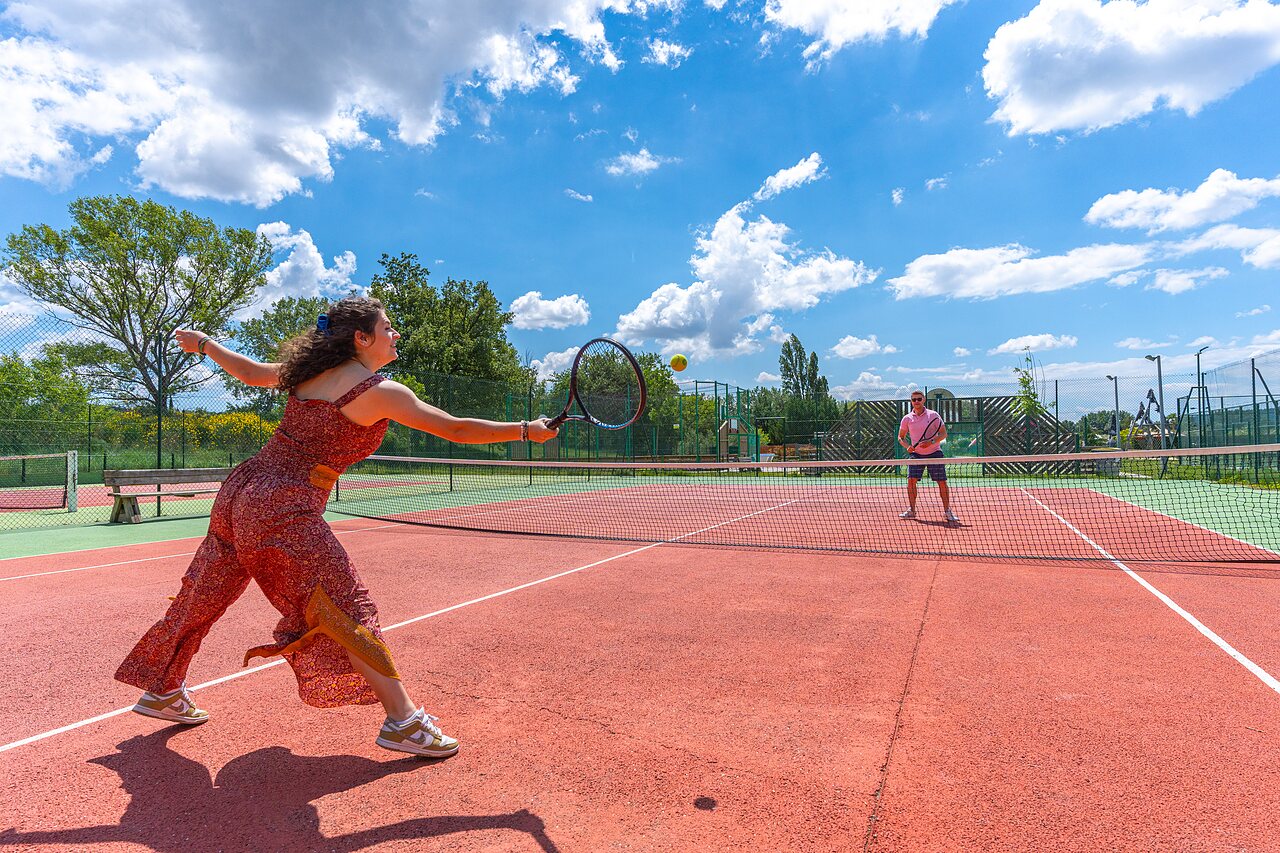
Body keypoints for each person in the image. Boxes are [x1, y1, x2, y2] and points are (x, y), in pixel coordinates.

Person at [115, 296, 557, 759]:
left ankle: (163, 688)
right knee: (349, 606)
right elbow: (457, 430)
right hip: (283, 507)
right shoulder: (381, 391)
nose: (396, 334)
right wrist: (525, 429)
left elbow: (248, 371)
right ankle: (403, 722)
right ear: (361, 339)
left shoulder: (305, 372)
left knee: (201, 595)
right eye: (388, 327)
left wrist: (205, 343)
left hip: (240, 492)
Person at [897, 391, 958, 524]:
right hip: (916, 455)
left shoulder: (933, 415)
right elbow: (900, 437)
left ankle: (947, 511)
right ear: (911, 401)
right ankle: (912, 510)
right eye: (914, 400)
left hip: (935, 453)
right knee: (911, 481)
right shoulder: (907, 418)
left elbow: (943, 434)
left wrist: (931, 442)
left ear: (924, 400)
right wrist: (907, 446)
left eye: (919, 399)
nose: (917, 401)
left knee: (941, 482)